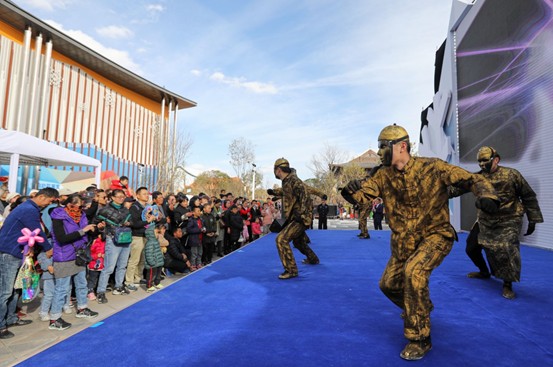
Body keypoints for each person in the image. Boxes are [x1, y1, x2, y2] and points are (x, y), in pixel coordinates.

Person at [341, 124, 499, 360]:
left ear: (402, 146)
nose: (380, 151)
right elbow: (362, 197)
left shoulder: (432, 167)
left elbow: (470, 179)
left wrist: (487, 194)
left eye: (384, 146)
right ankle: (421, 308)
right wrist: (349, 190)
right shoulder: (382, 176)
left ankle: (419, 338)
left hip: (435, 236)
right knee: (388, 285)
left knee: (414, 273)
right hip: (403, 242)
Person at [451, 146, 543, 300]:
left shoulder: (511, 175)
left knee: (506, 249)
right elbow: (456, 189)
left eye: (485, 161)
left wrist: (533, 218)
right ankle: (484, 272)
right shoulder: (478, 178)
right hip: (485, 220)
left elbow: (528, 196)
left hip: (509, 219)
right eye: (479, 161)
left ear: (496, 160)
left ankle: (507, 284)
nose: (482, 165)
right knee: (471, 248)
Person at [0, 187, 59, 339]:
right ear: (42, 197)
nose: (48, 205)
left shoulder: (29, 208)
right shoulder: (29, 209)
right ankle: (1, 325)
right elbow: (36, 231)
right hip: (9, 252)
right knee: (5, 291)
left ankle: (11, 318)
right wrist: (48, 248)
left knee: (15, 289)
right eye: (49, 201)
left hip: (18, 252)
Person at [48, 193, 100, 330]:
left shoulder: (82, 215)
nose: (79, 209)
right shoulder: (58, 216)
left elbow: (88, 233)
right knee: (62, 288)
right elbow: (61, 238)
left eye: (81, 206)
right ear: (69, 204)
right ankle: (54, 318)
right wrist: (83, 231)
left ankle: (82, 309)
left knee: (82, 283)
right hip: (64, 255)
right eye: (76, 206)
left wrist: (96, 229)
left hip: (79, 254)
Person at [268, 158, 319, 280]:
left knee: (281, 239)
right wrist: (274, 193)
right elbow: (286, 193)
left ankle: (291, 270)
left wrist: (303, 217)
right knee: (298, 242)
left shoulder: (294, 181)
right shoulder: (287, 181)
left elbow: (305, 198)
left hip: (299, 219)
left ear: (278, 170)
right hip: (294, 218)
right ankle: (313, 259)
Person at [94, 189, 133, 304]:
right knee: (109, 267)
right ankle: (100, 291)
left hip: (126, 238)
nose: (121, 198)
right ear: (113, 197)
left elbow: (132, 222)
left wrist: (129, 223)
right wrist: (100, 227)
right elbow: (96, 222)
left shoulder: (125, 209)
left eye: (123, 196)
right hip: (112, 239)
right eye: (119, 196)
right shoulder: (105, 210)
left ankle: (119, 285)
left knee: (122, 265)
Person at [143, 224, 165, 292]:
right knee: (151, 275)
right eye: (157, 232)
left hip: (158, 262)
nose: (158, 234)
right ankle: (149, 285)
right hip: (152, 264)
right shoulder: (150, 243)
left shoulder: (156, 241)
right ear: (151, 234)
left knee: (158, 274)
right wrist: (152, 262)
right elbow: (148, 254)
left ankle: (157, 283)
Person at [37, 248, 55, 321]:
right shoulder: (44, 250)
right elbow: (42, 260)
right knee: (49, 294)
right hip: (49, 276)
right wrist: (48, 266)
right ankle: (43, 312)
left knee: (54, 294)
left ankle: (50, 309)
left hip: (58, 274)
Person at [187, 206, 205, 270]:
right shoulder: (191, 220)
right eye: (197, 211)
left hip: (200, 239)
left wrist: (204, 229)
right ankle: (193, 265)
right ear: (193, 212)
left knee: (200, 252)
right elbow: (189, 230)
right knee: (194, 253)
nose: (199, 212)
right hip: (194, 239)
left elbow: (202, 226)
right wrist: (199, 230)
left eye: (199, 211)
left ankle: (198, 263)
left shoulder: (201, 219)